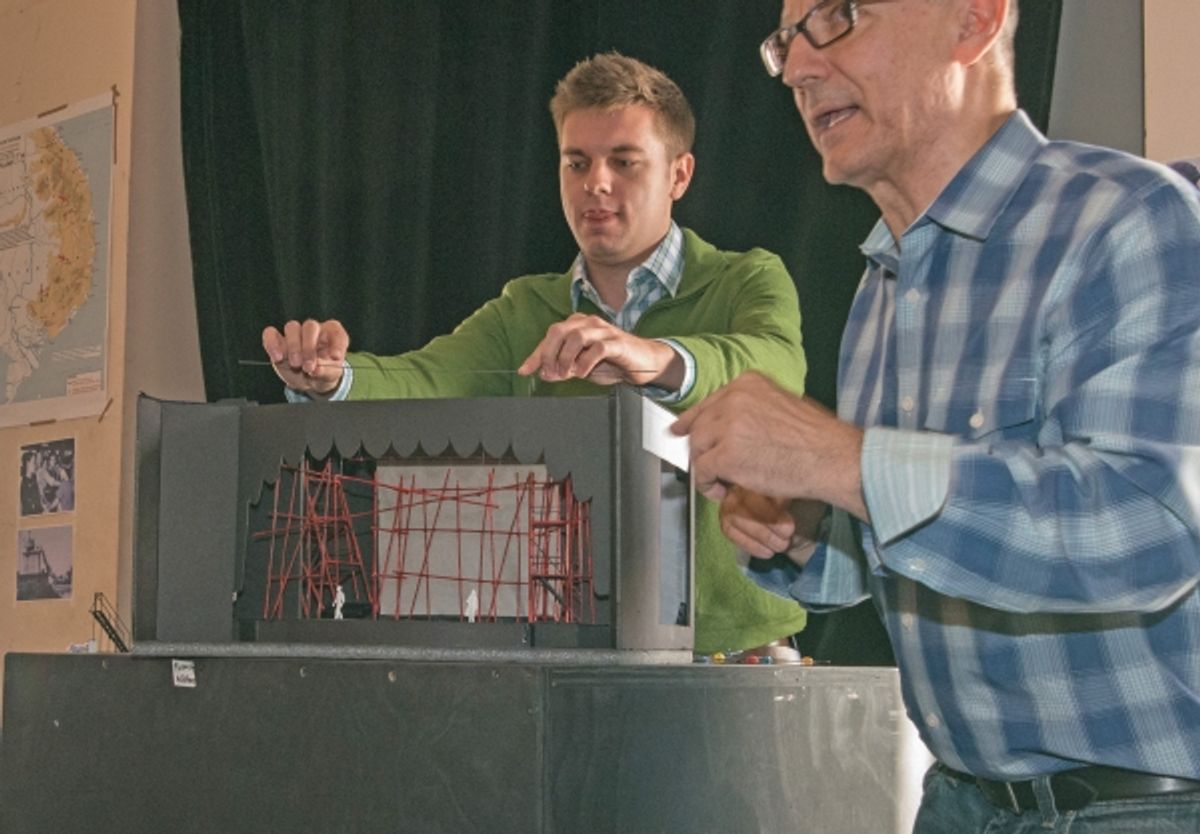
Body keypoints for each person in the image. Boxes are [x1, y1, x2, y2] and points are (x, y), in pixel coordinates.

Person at [673, 0, 1200, 831]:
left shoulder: (1129, 221)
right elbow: (908, 552)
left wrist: (842, 463)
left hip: (1138, 808)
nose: (802, 68)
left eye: (839, 17)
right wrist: (808, 522)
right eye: (787, 42)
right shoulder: (881, 283)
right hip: (958, 802)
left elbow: (1150, 527)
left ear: (975, 20)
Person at [262, 52, 810, 656]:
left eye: (624, 162)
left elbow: (772, 367)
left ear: (679, 175)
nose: (595, 183)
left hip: (735, 662)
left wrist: (656, 358)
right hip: (567, 656)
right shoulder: (524, 309)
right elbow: (427, 377)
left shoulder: (748, 280)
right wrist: (331, 378)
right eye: (576, 162)